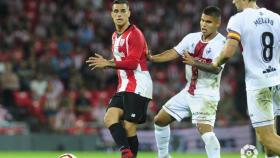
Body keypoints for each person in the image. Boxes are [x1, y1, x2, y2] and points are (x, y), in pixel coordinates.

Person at [147, 6, 225, 158]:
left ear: (217, 23)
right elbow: (173, 52)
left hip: (206, 94)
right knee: (159, 120)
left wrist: (194, 62)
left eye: (208, 22)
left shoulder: (222, 43)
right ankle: (163, 156)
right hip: (188, 91)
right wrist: (153, 58)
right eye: (202, 20)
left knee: (205, 131)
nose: (204, 24)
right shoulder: (191, 38)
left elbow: (216, 69)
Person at [209, 0, 280, 157]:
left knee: (267, 139)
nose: (233, 1)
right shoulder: (276, 18)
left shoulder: (238, 19)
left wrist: (215, 62)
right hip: (277, 80)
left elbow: (228, 52)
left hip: (259, 84)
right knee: (271, 141)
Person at [86, 0, 152, 158]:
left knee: (129, 127)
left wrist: (107, 64)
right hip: (123, 85)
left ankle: (128, 155)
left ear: (129, 13)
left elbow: (132, 63)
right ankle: (126, 152)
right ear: (111, 14)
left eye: (123, 11)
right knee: (110, 117)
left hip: (139, 84)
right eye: (116, 11)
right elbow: (133, 55)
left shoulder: (135, 33)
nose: (119, 14)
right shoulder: (115, 35)